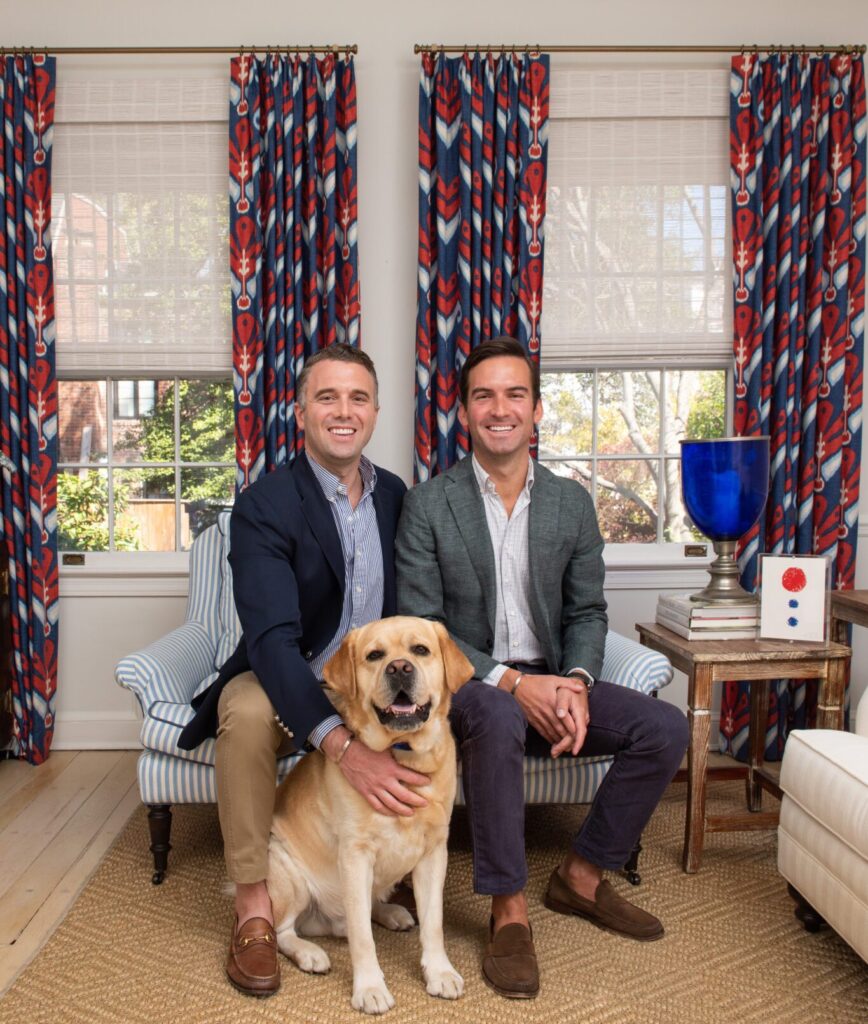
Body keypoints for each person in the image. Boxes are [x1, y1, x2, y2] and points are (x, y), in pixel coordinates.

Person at [395, 337, 689, 1000]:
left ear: (536, 409)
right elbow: (423, 628)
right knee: (500, 714)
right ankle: (508, 909)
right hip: (469, 684)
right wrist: (511, 682)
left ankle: (581, 876)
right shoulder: (428, 504)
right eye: (484, 396)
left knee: (664, 728)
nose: (500, 409)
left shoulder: (570, 503)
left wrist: (577, 683)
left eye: (515, 394)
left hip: (551, 676)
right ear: (464, 412)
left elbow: (587, 610)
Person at [178, 344, 428, 998]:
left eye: (358, 398)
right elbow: (271, 642)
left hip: (369, 686)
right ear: (300, 411)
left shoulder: (395, 496)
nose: (344, 411)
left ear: (375, 411)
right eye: (327, 397)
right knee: (245, 709)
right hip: (290, 674)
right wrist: (343, 746)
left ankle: (382, 882)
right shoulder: (265, 505)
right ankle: (255, 909)